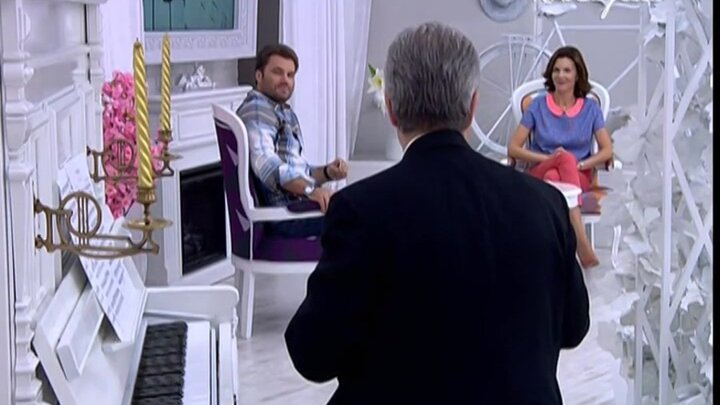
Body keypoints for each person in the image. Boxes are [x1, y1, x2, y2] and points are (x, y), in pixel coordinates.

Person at [284, 22, 590, 404]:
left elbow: (312, 354)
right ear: (472, 106)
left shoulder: (361, 210)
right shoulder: (544, 203)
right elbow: (574, 327)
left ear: (391, 108)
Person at [508, 46, 613, 269]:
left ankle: (553, 251)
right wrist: (548, 158)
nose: (560, 75)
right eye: (556, 70)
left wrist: (580, 164)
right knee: (560, 161)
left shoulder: (590, 109)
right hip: (540, 169)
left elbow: (607, 150)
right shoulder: (538, 106)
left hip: (577, 174)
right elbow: (514, 148)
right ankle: (580, 241)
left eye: (567, 70)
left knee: (556, 173)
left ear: (577, 75)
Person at [236, 44, 348, 238]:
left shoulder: (281, 111)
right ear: (259, 76)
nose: (285, 80)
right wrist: (310, 190)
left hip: (296, 207)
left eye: (290, 75)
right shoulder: (258, 110)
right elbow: (266, 163)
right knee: (365, 216)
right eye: (277, 72)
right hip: (287, 216)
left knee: (367, 206)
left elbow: (297, 171)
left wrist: (328, 172)